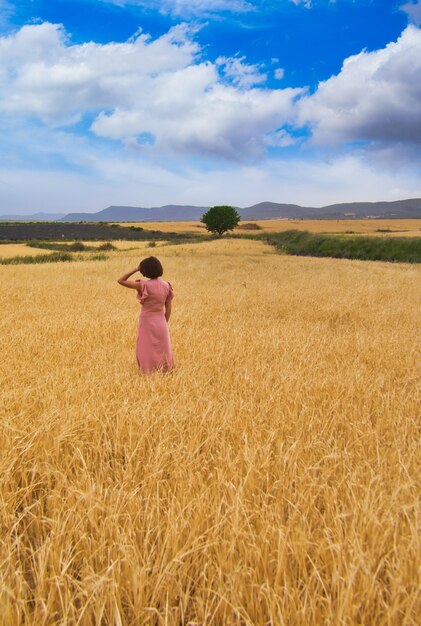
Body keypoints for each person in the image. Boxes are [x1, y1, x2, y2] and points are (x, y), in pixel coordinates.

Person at [117, 256, 174, 374]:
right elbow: (168, 310)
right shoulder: (167, 286)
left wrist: (135, 269)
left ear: (145, 270)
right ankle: (164, 370)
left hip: (147, 321)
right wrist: (164, 322)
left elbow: (121, 280)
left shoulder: (143, 285)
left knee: (145, 346)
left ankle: (147, 371)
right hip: (161, 321)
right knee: (163, 347)